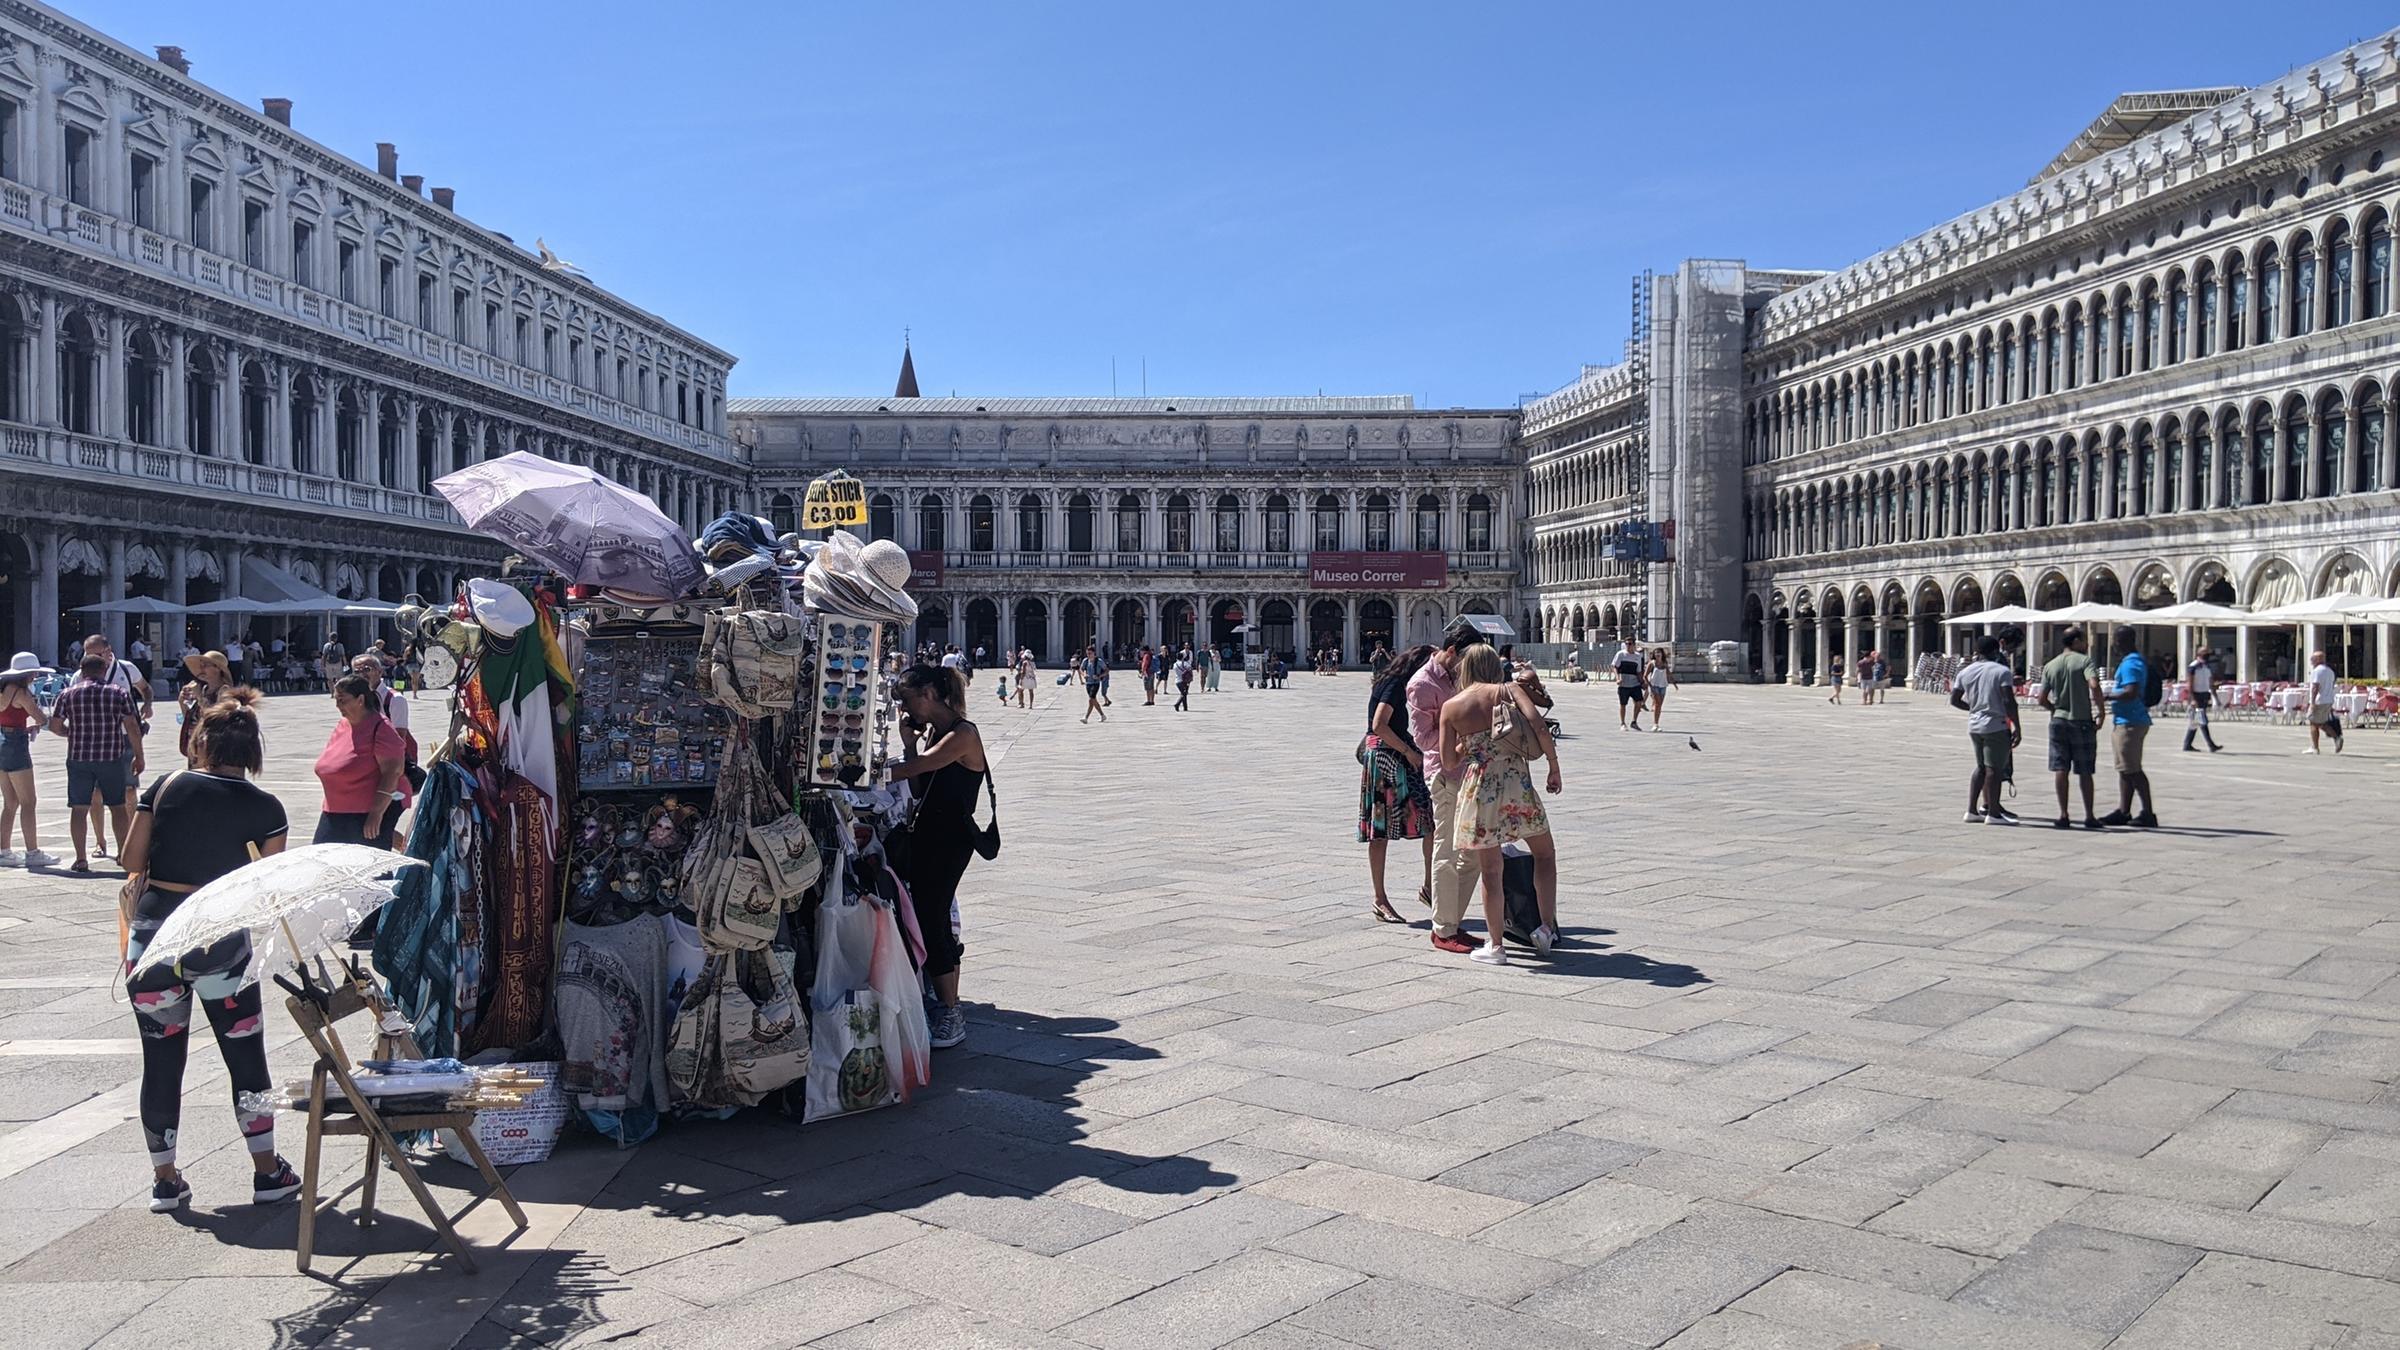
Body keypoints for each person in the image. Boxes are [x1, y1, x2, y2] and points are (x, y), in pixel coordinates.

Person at [118, 689, 302, 1212]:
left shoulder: (166, 786)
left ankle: (165, 1179)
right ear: (251, 751)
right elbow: (265, 891)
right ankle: (267, 1172)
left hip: (153, 937)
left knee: (160, 1061)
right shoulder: (266, 808)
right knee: (245, 1057)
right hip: (220, 938)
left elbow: (132, 859)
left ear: (200, 742)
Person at [886, 664, 988, 1050]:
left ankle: (950, 1010)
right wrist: (909, 744)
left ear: (928, 694)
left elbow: (921, 767)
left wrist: (868, 775)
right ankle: (946, 999)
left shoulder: (963, 734)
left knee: (931, 918)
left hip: (951, 839)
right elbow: (918, 786)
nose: (905, 709)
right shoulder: (933, 733)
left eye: (907, 700)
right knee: (933, 916)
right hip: (930, 834)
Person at [1441, 643, 1563, 964]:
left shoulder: (1451, 707)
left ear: (1466, 668)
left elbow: (1449, 761)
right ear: (1494, 666)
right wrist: (1553, 767)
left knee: (1491, 871)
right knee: (1544, 853)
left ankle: (1496, 946)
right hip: (1515, 783)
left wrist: (1470, 741)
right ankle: (1546, 928)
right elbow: (1539, 725)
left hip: (1479, 788)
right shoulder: (1508, 690)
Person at [1408, 620, 1489, 955]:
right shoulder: (1423, 683)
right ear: (1452, 651)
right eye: (1465, 660)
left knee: (1474, 853)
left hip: (1470, 772)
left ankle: (1452, 921)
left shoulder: (1462, 675)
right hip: (1443, 775)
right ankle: (1442, 929)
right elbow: (1423, 739)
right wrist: (1461, 735)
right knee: (1446, 850)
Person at [1361, 645, 1435, 925]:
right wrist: (1408, 752)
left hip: (1395, 755)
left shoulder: (1397, 682)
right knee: (1380, 829)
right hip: (1386, 758)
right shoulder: (1395, 683)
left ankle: (1429, 887)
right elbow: (1379, 724)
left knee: (1429, 821)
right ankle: (1380, 899)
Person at [51, 653, 145, 872]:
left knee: (79, 808)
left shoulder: (67, 694)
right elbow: (132, 726)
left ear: (82, 671)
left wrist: (71, 733)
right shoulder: (118, 693)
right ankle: (122, 854)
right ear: (104, 670)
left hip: (79, 757)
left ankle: (81, 858)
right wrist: (139, 755)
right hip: (110, 757)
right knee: (117, 807)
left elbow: (55, 726)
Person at [313, 673, 408, 849]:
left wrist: (376, 814)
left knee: (368, 865)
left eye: (342, 700)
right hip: (333, 811)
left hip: (365, 814)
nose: (337, 705)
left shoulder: (381, 727)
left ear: (361, 700)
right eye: (336, 700)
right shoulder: (343, 724)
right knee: (323, 861)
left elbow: (392, 772)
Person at [2037, 627, 2104, 830]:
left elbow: (2041, 698)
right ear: (2076, 641)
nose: (2086, 644)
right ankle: (2089, 815)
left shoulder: (2051, 665)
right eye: (2083, 640)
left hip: (2059, 721)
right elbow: (2094, 684)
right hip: (2081, 721)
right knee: (2085, 770)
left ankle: (2064, 814)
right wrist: (2101, 711)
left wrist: (2054, 709)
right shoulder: (2085, 661)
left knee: (2061, 768)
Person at [1949, 635, 2020, 825]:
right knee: (1994, 769)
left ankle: (1972, 810)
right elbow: (2009, 701)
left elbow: (1954, 700)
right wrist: (2017, 726)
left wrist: (1973, 709)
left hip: (1974, 725)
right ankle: (1994, 813)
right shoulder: (2001, 671)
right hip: (1995, 724)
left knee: (1981, 767)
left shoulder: (1966, 672)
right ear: (1995, 651)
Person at [0, 653, 56, 868]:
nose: (35, 676)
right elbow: (40, 717)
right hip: (15, 744)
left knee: (10, 802)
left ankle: (4, 851)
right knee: (28, 801)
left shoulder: (4, 689)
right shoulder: (21, 693)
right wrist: (41, 724)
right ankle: (32, 851)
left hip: (2, 740)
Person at [2100, 627, 2157, 828]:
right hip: (2125, 720)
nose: (2113, 645)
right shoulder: (2132, 661)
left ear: (2121, 641)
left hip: (2131, 721)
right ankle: (2123, 810)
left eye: (2115, 640)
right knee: (2124, 769)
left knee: (2133, 770)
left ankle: (2148, 813)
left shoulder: (2131, 664)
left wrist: (2106, 696)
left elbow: (2131, 692)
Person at [351, 653, 420, 792]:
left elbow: (399, 738)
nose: (362, 674)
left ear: (380, 671)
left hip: (388, 765)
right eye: (357, 671)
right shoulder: (354, 699)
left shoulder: (394, 699)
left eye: (367, 669)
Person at [177, 650, 233, 767]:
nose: (201, 669)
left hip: (213, 747)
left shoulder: (224, 691)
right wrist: (182, 702)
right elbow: (194, 718)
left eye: (205, 665)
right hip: (197, 745)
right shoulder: (204, 689)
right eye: (201, 666)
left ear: (217, 668)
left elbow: (215, 718)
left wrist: (199, 697)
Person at [2305, 650, 2345, 755]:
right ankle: (2336, 738)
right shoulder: (2330, 671)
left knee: (2313, 723)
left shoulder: (2317, 671)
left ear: (2318, 659)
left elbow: (2315, 687)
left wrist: (2312, 702)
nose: (2311, 660)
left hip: (2319, 701)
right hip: (2328, 700)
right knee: (2321, 722)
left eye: (2313, 658)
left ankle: (2315, 747)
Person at [2183, 646, 2222, 753]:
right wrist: (2192, 698)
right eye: (2205, 652)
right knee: (2202, 720)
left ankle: (2187, 744)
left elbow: (2210, 683)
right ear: (2199, 653)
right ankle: (2211, 744)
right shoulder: (2193, 666)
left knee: (2195, 721)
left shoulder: (2207, 667)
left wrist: (2215, 697)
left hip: (2204, 695)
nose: (2207, 655)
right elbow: (2190, 684)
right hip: (2196, 695)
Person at [1612, 637, 1646, 730]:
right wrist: (1617, 678)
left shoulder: (1638, 656)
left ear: (1634, 645)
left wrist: (1642, 682)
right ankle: (1622, 723)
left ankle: (1634, 721)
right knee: (1623, 704)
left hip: (1635, 684)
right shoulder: (1621, 654)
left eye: (1630, 644)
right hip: (1624, 684)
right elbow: (1614, 667)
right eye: (1626, 644)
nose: (1628, 645)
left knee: (1639, 702)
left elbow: (1639, 671)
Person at [1646, 647, 1679, 727]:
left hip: (1663, 686)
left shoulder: (1664, 663)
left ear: (1662, 654)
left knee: (1659, 705)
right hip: (1654, 686)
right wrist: (1650, 686)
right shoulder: (1652, 664)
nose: (1657, 654)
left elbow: (1668, 673)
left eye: (1659, 652)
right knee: (1658, 704)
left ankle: (1656, 722)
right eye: (1656, 652)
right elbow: (1645, 676)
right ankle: (1655, 724)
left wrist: (1674, 684)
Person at [1076, 645, 1109, 723]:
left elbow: (1106, 670)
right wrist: (1084, 674)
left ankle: (1086, 717)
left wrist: (1099, 676)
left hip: (1095, 683)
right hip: (1088, 683)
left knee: (1091, 699)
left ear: (1094, 653)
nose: (1089, 655)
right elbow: (1081, 669)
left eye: (1090, 653)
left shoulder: (1099, 661)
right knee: (1093, 700)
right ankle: (1102, 715)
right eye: (1087, 653)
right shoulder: (1085, 661)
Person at [1172, 647, 1194, 712]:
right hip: (1184, 681)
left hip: (1177, 681)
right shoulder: (1185, 663)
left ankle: (1185, 707)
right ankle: (1177, 704)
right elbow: (1190, 669)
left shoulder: (1175, 664)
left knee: (1183, 693)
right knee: (1184, 693)